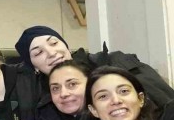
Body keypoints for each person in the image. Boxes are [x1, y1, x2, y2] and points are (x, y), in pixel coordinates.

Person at [15, 25, 174, 107]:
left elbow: (164, 101)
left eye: (54, 43)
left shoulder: (115, 63)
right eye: (38, 52)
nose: (51, 52)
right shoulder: (41, 100)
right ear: (34, 67)